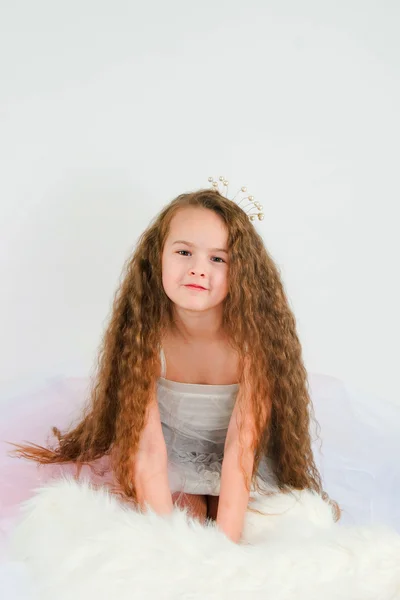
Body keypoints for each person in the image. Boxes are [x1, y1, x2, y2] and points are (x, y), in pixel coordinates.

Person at [11, 177, 340, 543]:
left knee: (243, 526)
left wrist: (224, 548)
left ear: (242, 271)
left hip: (236, 457)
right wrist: (166, 545)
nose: (199, 268)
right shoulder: (146, 337)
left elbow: (240, 449)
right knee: (184, 518)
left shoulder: (252, 346)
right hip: (169, 453)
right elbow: (149, 449)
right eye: (184, 252)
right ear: (158, 258)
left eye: (218, 258)